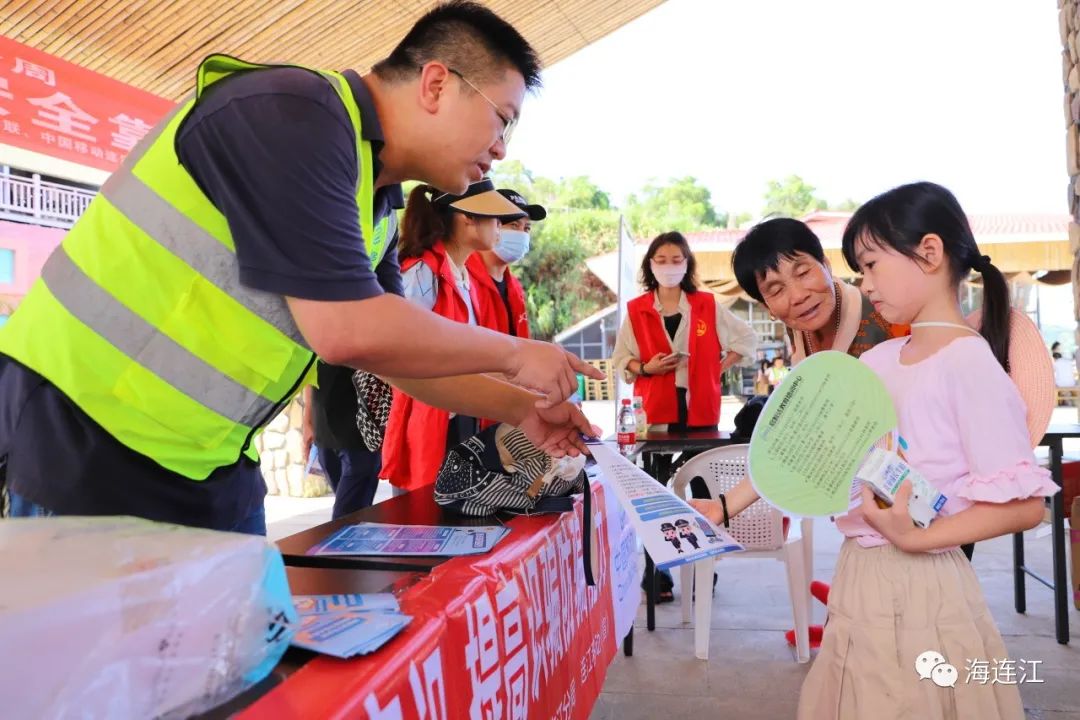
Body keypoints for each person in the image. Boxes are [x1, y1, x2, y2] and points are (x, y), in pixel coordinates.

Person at [0, 1, 601, 532]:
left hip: (207, 460)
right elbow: (346, 331)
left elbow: (393, 355)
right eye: (503, 118)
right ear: (437, 84)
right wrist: (516, 354)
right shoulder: (292, 116)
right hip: (87, 437)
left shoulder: (375, 200)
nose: (503, 147)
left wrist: (520, 410)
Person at [727, 183, 1057, 718]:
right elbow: (811, 445)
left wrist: (912, 535)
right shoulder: (879, 360)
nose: (864, 280)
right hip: (861, 570)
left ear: (929, 253)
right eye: (861, 267)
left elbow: (1023, 508)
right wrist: (724, 506)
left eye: (872, 264)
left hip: (925, 576)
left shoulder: (969, 365)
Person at [381, 179, 527, 493]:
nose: (500, 227)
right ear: (466, 218)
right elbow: (399, 355)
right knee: (425, 524)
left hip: (461, 415)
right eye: (495, 218)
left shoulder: (463, 277)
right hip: (430, 421)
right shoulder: (421, 273)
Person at [612, 231, 757, 432]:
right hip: (653, 406)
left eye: (676, 260)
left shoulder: (707, 305)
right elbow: (621, 357)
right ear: (650, 265)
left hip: (701, 403)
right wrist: (646, 368)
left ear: (686, 263)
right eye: (661, 261)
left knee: (699, 461)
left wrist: (717, 369)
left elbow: (746, 338)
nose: (668, 267)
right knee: (654, 463)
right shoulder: (637, 310)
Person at [467, 187, 543, 338]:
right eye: (514, 225)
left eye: (526, 228)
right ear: (493, 225)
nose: (522, 234)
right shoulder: (462, 279)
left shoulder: (514, 287)